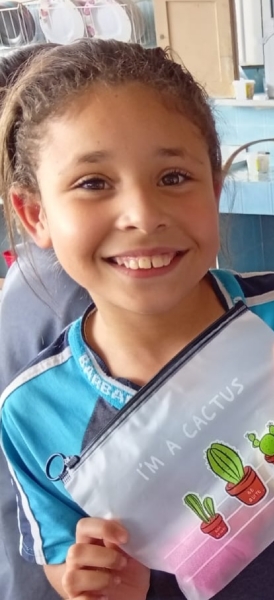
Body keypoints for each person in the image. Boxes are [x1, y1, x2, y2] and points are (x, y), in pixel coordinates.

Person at [0, 39, 274, 600]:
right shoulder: (33, 410)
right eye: (93, 183)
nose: (143, 215)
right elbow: (58, 555)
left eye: (173, 177)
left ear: (215, 189)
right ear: (35, 214)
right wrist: (92, 579)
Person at [0, 43, 91, 600]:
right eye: (93, 181)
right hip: (52, 555)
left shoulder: (37, 267)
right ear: (32, 209)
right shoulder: (81, 292)